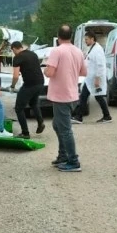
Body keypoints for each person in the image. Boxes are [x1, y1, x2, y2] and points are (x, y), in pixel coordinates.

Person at [44, 24, 87, 172]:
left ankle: (73, 161)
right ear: (71, 35)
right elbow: (83, 72)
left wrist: (45, 69)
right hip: (73, 94)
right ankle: (63, 155)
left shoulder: (57, 51)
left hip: (61, 95)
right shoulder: (78, 51)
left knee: (65, 129)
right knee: (58, 125)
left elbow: (49, 73)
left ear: (58, 35)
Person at [71, 30, 112, 124]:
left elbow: (100, 65)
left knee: (94, 97)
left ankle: (79, 117)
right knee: (87, 97)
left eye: (86, 39)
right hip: (90, 78)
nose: (85, 41)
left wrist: (97, 78)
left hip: (95, 79)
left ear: (92, 39)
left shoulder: (98, 49)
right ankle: (106, 116)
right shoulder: (92, 48)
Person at [10, 41, 45, 139]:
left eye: (13, 51)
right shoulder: (33, 54)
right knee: (33, 103)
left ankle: (25, 133)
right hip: (40, 83)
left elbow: (16, 76)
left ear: (14, 49)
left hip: (29, 84)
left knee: (18, 108)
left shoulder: (17, 57)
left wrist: (12, 86)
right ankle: (40, 122)